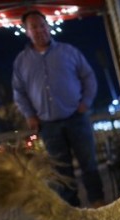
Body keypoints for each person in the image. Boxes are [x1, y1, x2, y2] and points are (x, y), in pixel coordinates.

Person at [12, 10, 105, 208]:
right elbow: (19, 92)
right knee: (61, 170)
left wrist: (85, 102)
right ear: (27, 31)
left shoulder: (68, 51)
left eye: (42, 25)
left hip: (76, 118)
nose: (39, 30)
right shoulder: (21, 61)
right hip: (48, 124)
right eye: (34, 27)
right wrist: (30, 115)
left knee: (89, 163)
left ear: (48, 26)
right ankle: (72, 209)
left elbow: (88, 77)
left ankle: (98, 201)